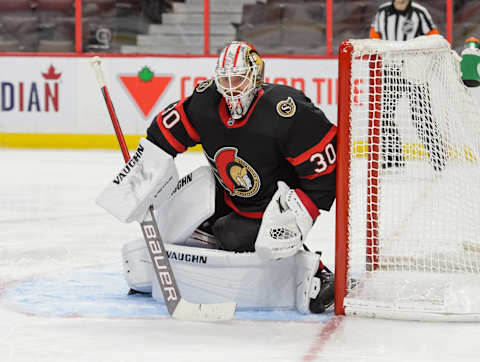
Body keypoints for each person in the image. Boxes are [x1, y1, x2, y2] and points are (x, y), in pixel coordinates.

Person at [96, 41, 336, 314]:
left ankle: (316, 271)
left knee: (243, 238)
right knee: (175, 223)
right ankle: (184, 253)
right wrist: (144, 173)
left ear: (255, 78)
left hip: (274, 206)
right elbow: (166, 132)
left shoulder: (285, 110)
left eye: (238, 79)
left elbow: (325, 169)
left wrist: (302, 210)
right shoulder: (205, 102)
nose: (231, 88)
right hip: (226, 194)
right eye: (225, 79)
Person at [370, 0, 447, 171]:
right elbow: (374, 38)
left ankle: (439, 159)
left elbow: (434, 39)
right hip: (391, 70)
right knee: (384, 114)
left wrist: (423, 59)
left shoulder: (419, 12)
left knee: (421, 116)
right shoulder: (382, 12)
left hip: (415, 71)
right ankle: (393, 159)